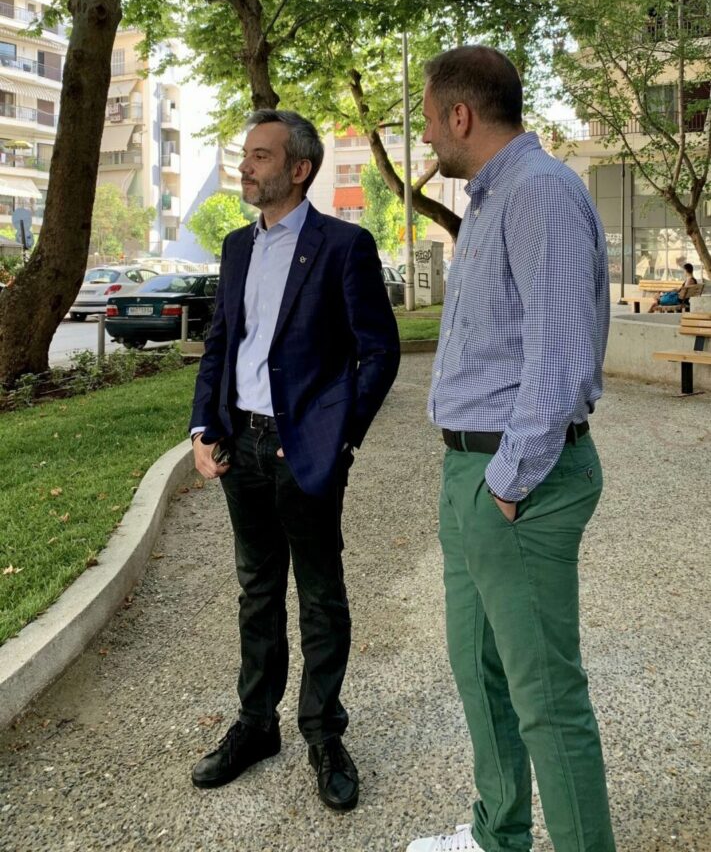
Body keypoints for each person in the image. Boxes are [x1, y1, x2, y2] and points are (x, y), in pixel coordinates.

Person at [407, 46, 615, 852]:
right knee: (479, 669)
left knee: (545, 698)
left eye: (429, 119)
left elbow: (558, 360)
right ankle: (500, 836)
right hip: (473, 472)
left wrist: (506, 483)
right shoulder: (494, 197)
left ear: (461, 115)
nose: (426, 136)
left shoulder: (538, 193)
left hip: (516, 482)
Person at [189, 109, 400, 811]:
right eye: (245, 154)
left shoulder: (343, 245)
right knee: (256, 591)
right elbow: (221, 342)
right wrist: (202, 426)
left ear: (299, 169)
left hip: (303, 450)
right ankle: (257, 725)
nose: (245, 166)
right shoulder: (236, 247)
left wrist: (340, 437)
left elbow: (378, 352)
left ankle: (323, 733)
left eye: (260, 156)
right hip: (238, 445)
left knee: (319, 594)